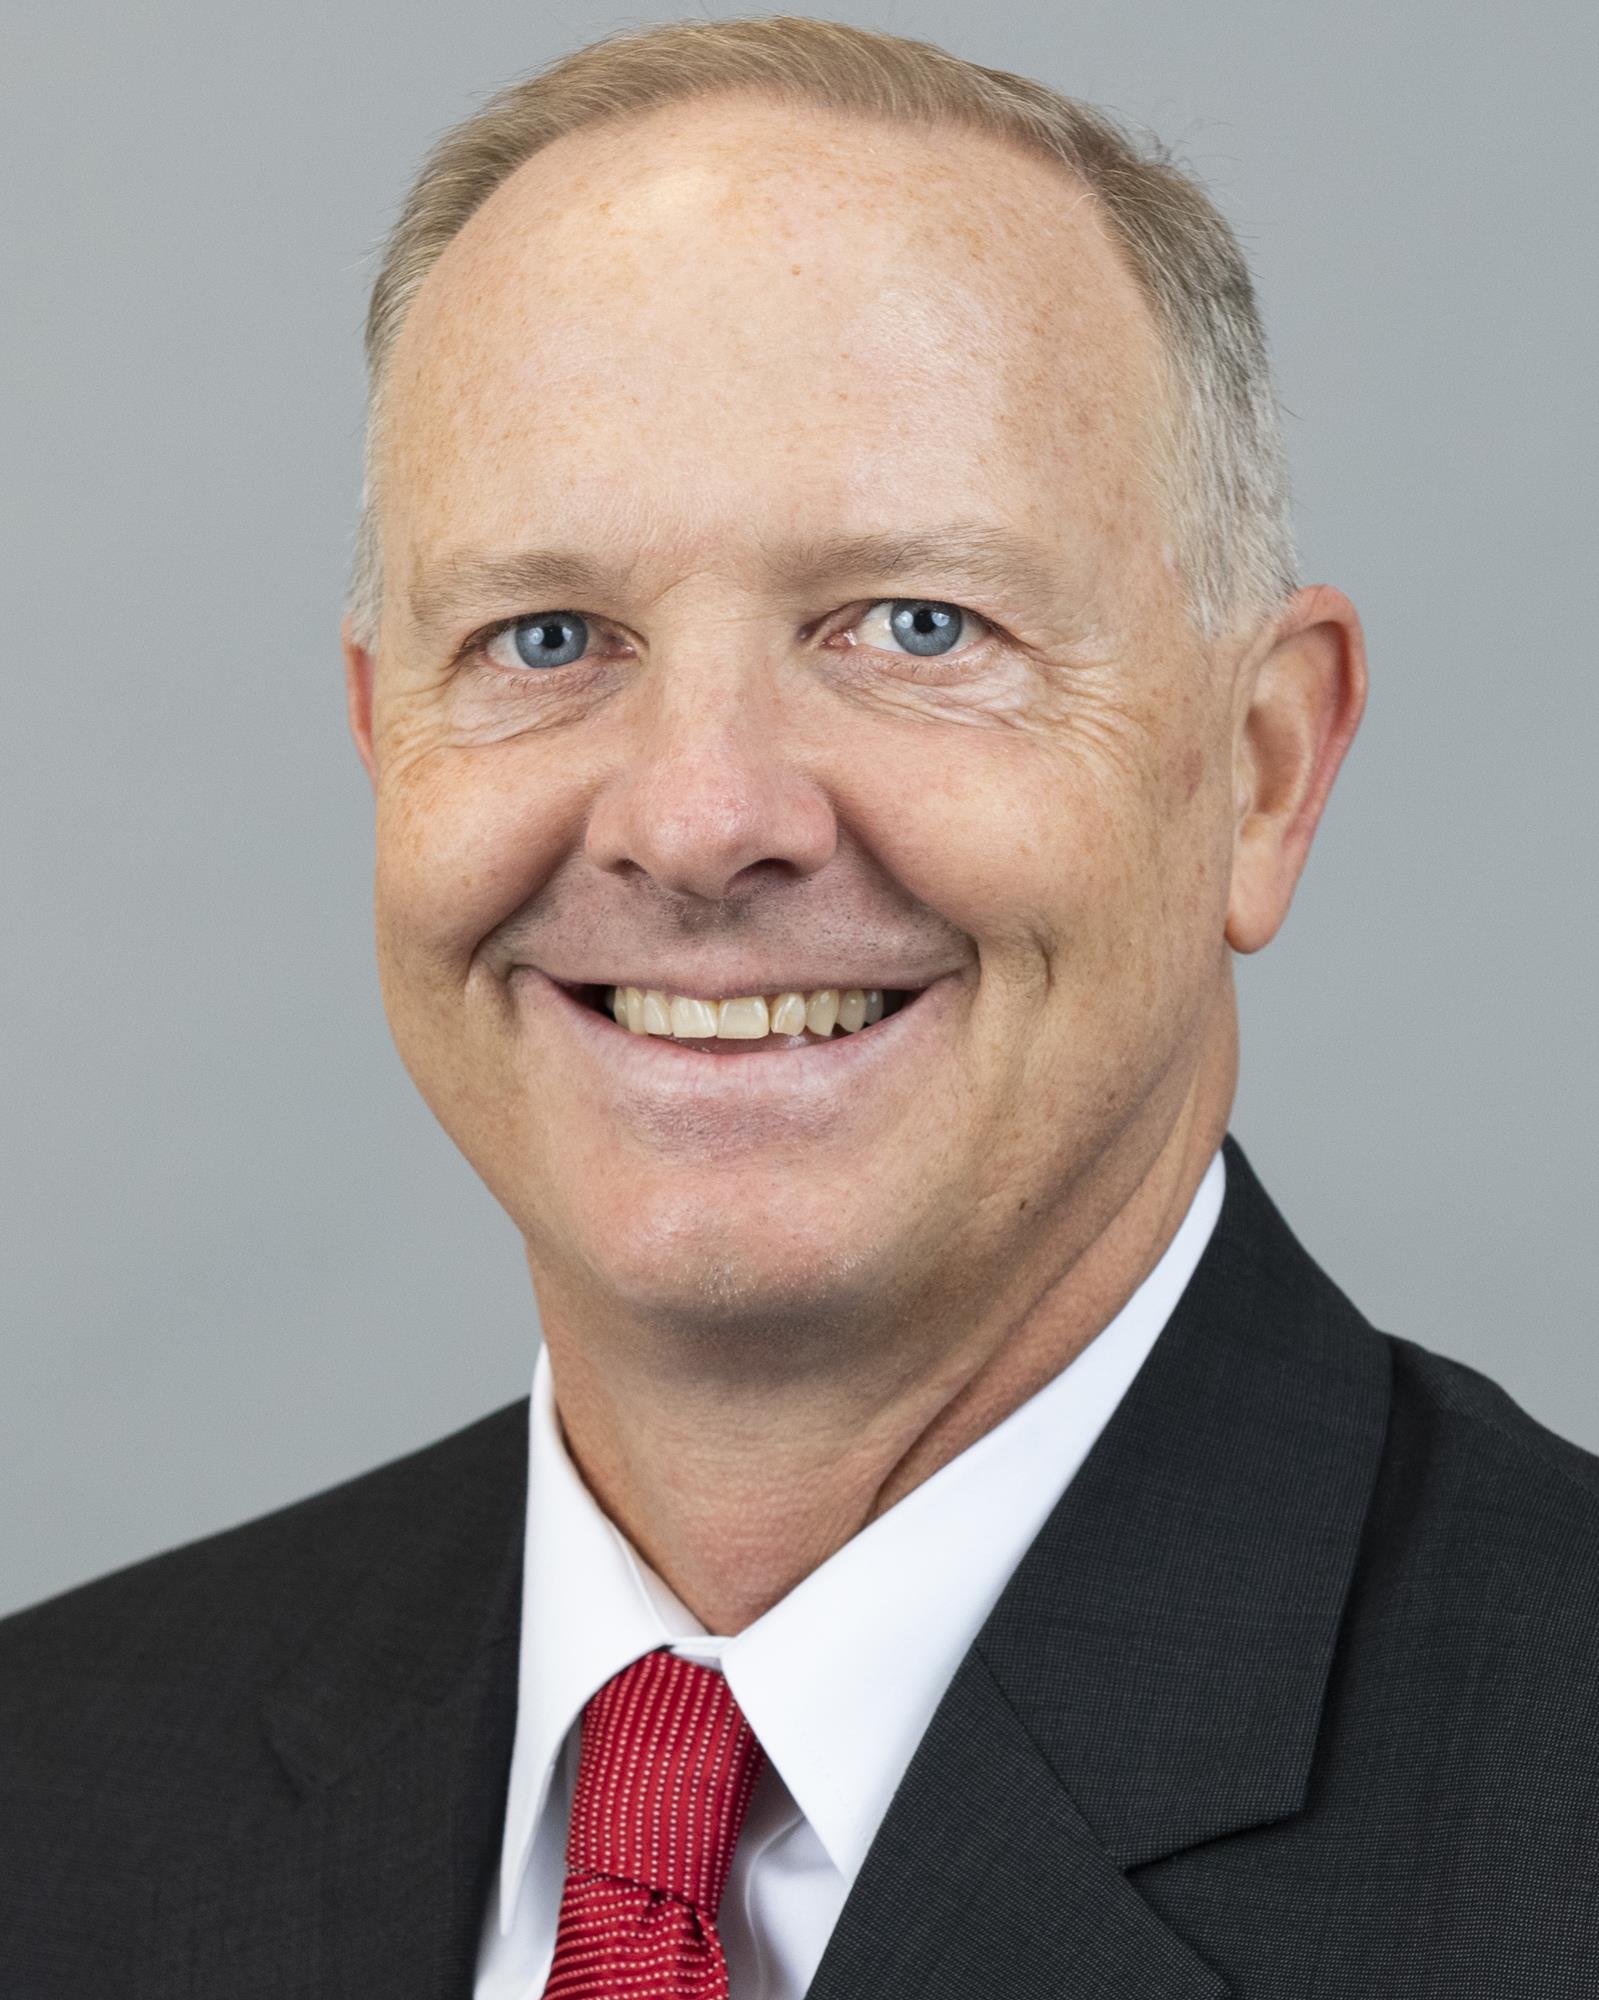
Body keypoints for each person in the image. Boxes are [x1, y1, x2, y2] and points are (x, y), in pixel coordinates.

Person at [4, 14, 1596, 1996]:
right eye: (544, 636)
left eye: (916, 624)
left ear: (1257, 771)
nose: (696, 820)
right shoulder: (50, 1791)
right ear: (378, 741)